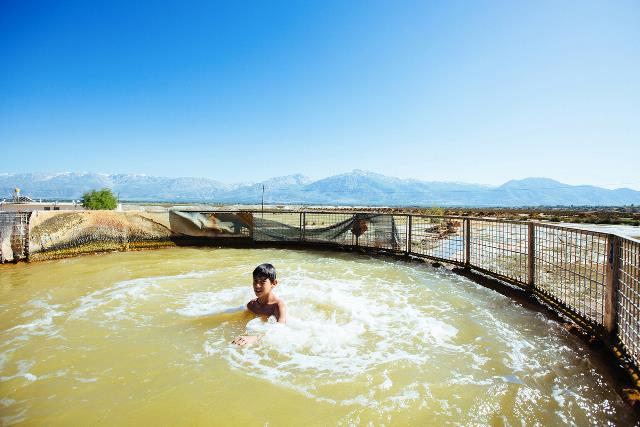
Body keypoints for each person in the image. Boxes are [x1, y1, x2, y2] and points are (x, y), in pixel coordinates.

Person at [232, 263, 287, 346]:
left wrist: (254, 338)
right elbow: (242, 324)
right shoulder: (252, 305)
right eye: (255, 281)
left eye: (263, 282)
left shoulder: (278, 306)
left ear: (274, 283)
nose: (257, 286)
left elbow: (279, 332)